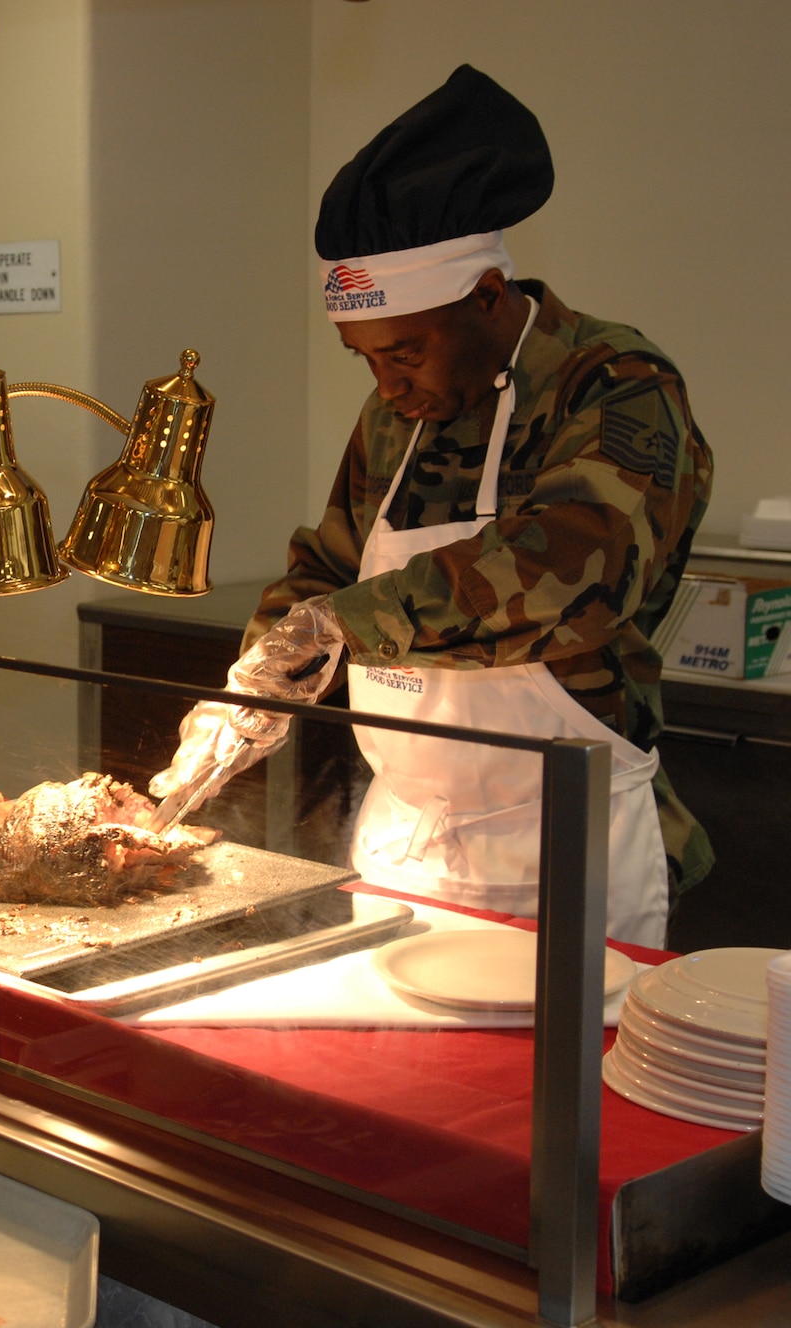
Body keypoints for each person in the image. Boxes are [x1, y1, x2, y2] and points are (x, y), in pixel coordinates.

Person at [150, 66, 712, 948]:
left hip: (564, 847)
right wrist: (256, 680)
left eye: (405, 352)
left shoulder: (613, 385)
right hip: (406, 844)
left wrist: (338, 626)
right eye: (364, 359)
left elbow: (570, 572)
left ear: (485, 299)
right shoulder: (398, 413)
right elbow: (327, 569)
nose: (388, 385)